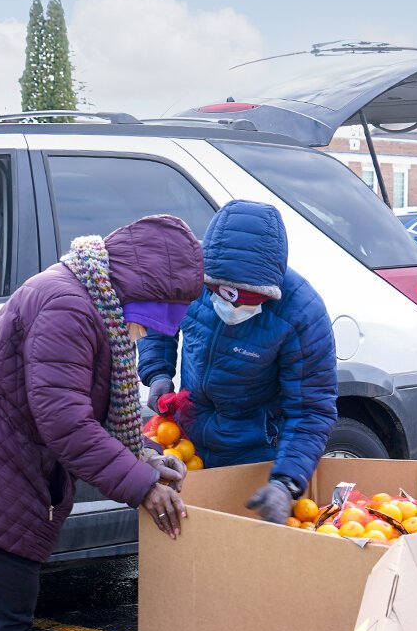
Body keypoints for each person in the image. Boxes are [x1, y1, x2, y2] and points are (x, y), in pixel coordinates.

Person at [0, 214, 204, 631]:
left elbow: (79, 404)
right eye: (146, 321)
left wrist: (144, 455)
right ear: (134, 292)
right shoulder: (69, 307)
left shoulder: (81, 293)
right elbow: (65, 421)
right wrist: (142, 484)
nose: (143, 335)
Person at [139, 200, 339, 523]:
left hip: (254, 453)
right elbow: (158, 317)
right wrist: (158, 371)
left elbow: (311, 410)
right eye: (220, 292)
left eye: (245, 298)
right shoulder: (191, 273)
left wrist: (285, 482)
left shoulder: (302, 314)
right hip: (188, 445)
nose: (229, 306)